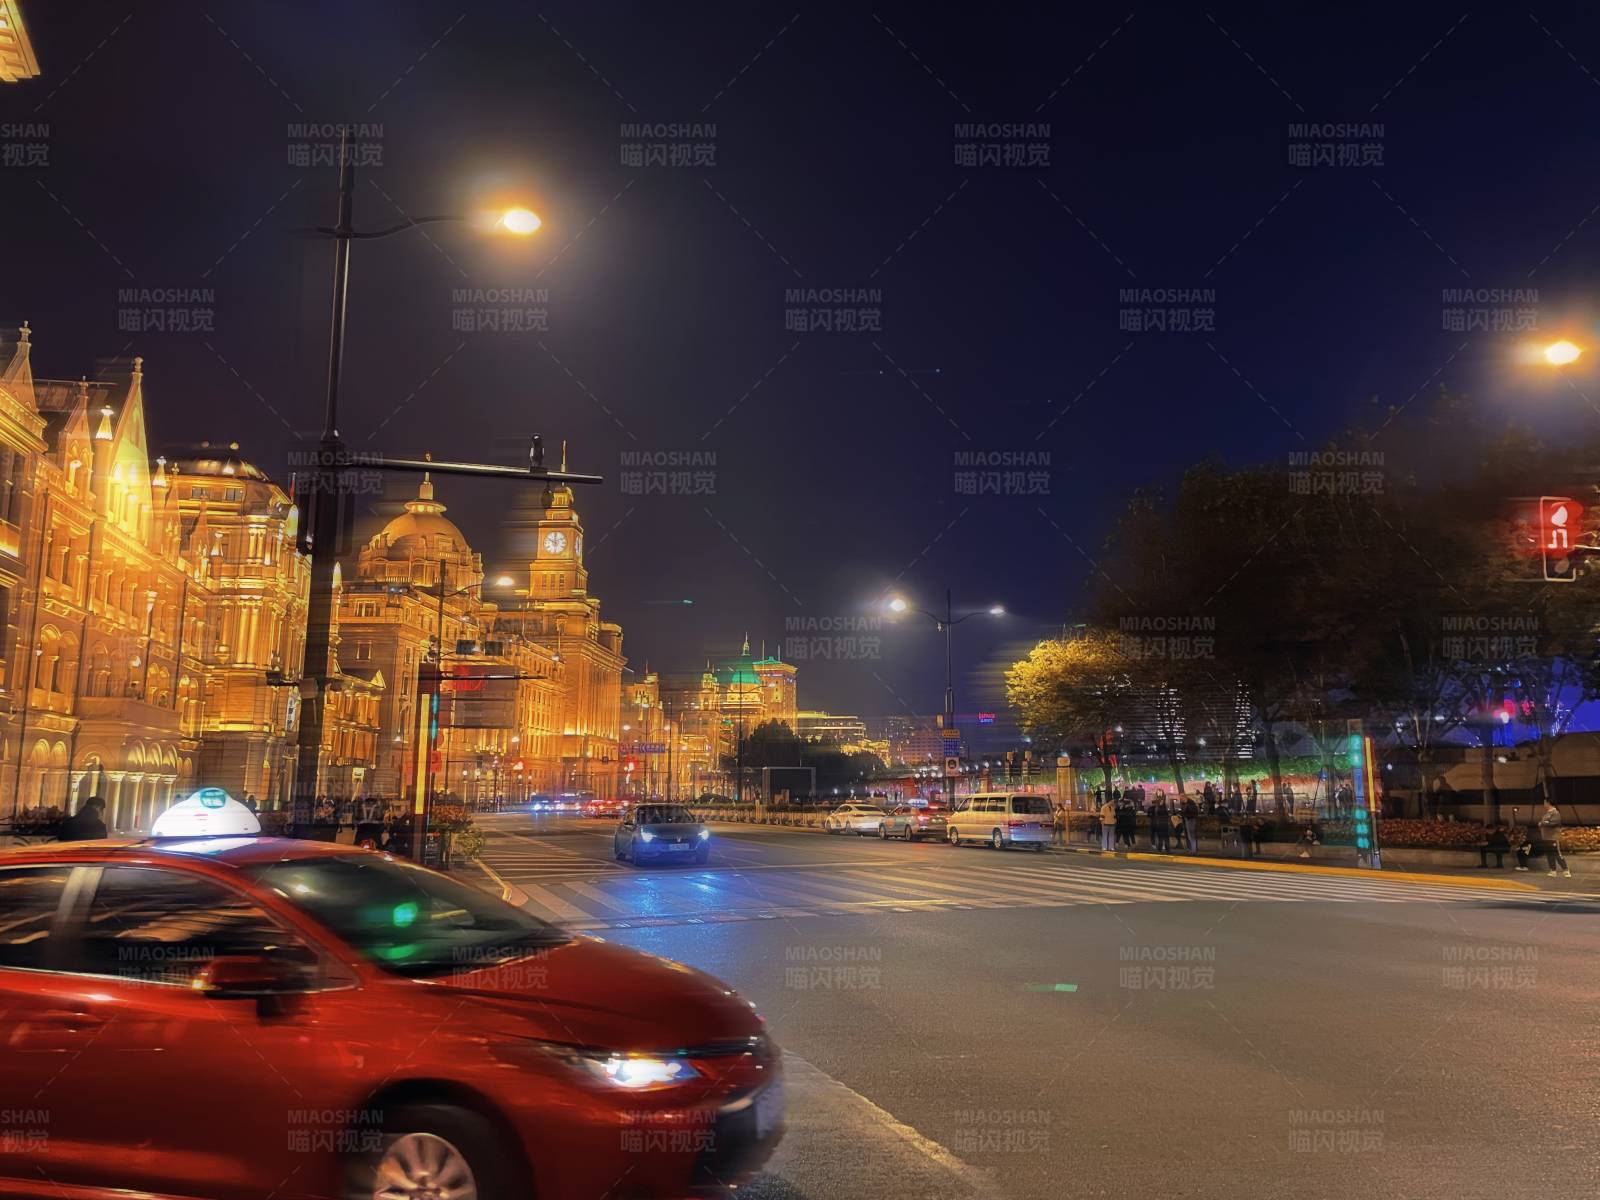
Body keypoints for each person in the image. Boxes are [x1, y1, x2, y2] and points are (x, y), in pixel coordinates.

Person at [1537, 801, 1572, 877]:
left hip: (1553, 837)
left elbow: (1554, 823)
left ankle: (1566, 869)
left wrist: (1543, 823)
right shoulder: (1547, 813)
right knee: (1549, 854)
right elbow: (1544, 822)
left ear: (1548, 803)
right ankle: (1553, 870)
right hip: (1546, 837)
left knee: (1557, 853)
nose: (1544, 804)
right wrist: (1542, 823)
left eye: (1545, 803)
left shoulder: (1555, 813)